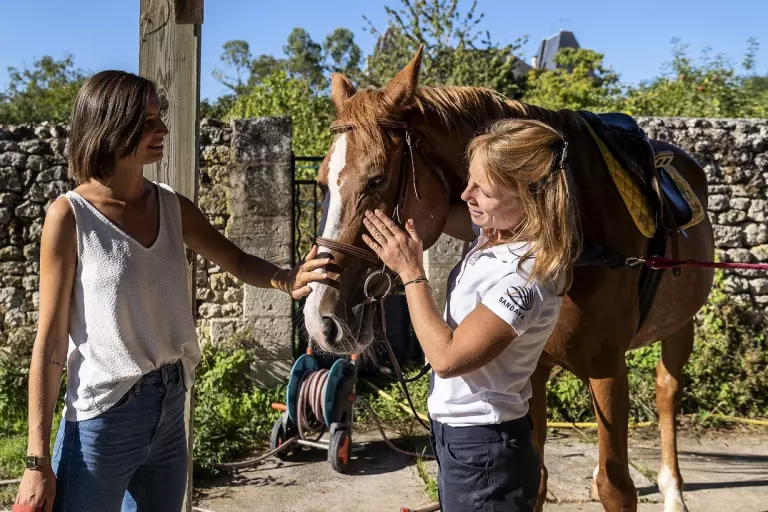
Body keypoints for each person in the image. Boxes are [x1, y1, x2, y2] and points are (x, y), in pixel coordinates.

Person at [14, 70, 330, 512]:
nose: (162, 129)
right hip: (102, 420)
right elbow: (49, 344)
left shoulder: (171, 205)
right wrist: (36, 461)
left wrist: (286, 278)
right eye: (147, 121)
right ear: (109, 125)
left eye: (159, 117)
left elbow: (237, 261)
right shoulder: (69, 216)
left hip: (169, 408)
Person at [361, 118, 581, 512]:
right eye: (470, 179)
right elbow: (434, 210)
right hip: (461, 440)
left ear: (529, 198)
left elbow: (447, 359)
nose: (466, 195)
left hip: (485, 450)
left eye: (484, 190)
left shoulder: (524, 279)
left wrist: (411, 273)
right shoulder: (495, 232)